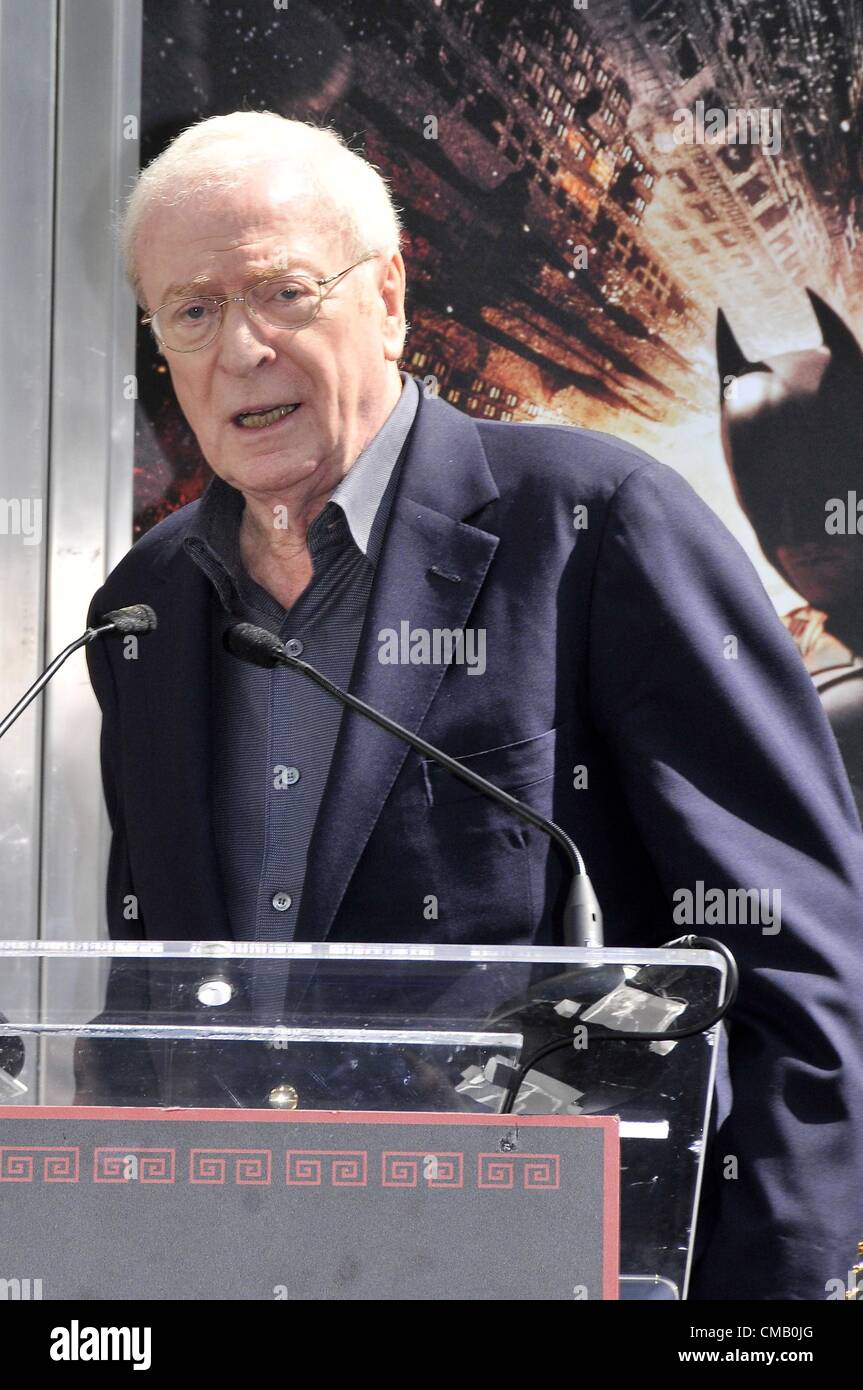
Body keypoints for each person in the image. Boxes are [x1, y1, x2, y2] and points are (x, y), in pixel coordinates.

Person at [86, 111, 863, 1300]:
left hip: (549, 1266)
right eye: (190, 311)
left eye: (284, 293)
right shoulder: (144, 607)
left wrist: (758, 1317)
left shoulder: (594, 523)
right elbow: (148, 995)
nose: (239, 348)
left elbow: (793, 963)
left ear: (388, 294)